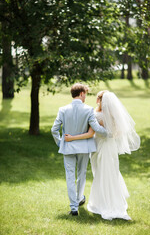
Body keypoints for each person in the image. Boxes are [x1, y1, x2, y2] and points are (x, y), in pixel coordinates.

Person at [65, 90, 140, 220]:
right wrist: (110, 135)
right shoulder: (112, 114)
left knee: (102, 174)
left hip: (99, 146)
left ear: (100, 100)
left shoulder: (96, 114)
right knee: (109, 173)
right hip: (109, 146)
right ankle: (110, 201)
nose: (96, 100)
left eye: (97, 98)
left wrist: (72, 138)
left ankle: (103, 204)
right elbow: (120, 131)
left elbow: (89, 134)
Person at [51, 84, 108, 216]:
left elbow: (54, 129)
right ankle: (79, 198)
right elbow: (97, 128)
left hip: (68, 148)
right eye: (86, 94)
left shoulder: (63, 109)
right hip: (84, 147)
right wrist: (109, 133)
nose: (86, 96)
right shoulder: (88, 110)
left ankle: (74, 207)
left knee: (70, 176)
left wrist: (61, 143)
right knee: (81, 173)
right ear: (81, 93)